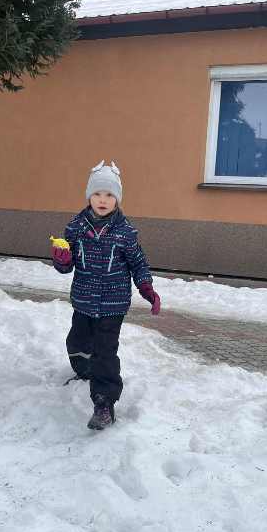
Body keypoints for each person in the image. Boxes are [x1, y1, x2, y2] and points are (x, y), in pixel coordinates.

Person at [52, 161, 161, 430]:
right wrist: (62, 259)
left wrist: (146, 287)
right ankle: (84, 371)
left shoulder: (125, 232)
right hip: (83, 301)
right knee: (76, 342)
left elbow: (138, 263)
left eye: (109, 195)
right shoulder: (75, 228)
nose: (103, 200)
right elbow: (66, 266)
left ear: (118, 199)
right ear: (89, 196)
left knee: (104, 353)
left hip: (113, 305)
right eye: (98, 194)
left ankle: (104, 403)